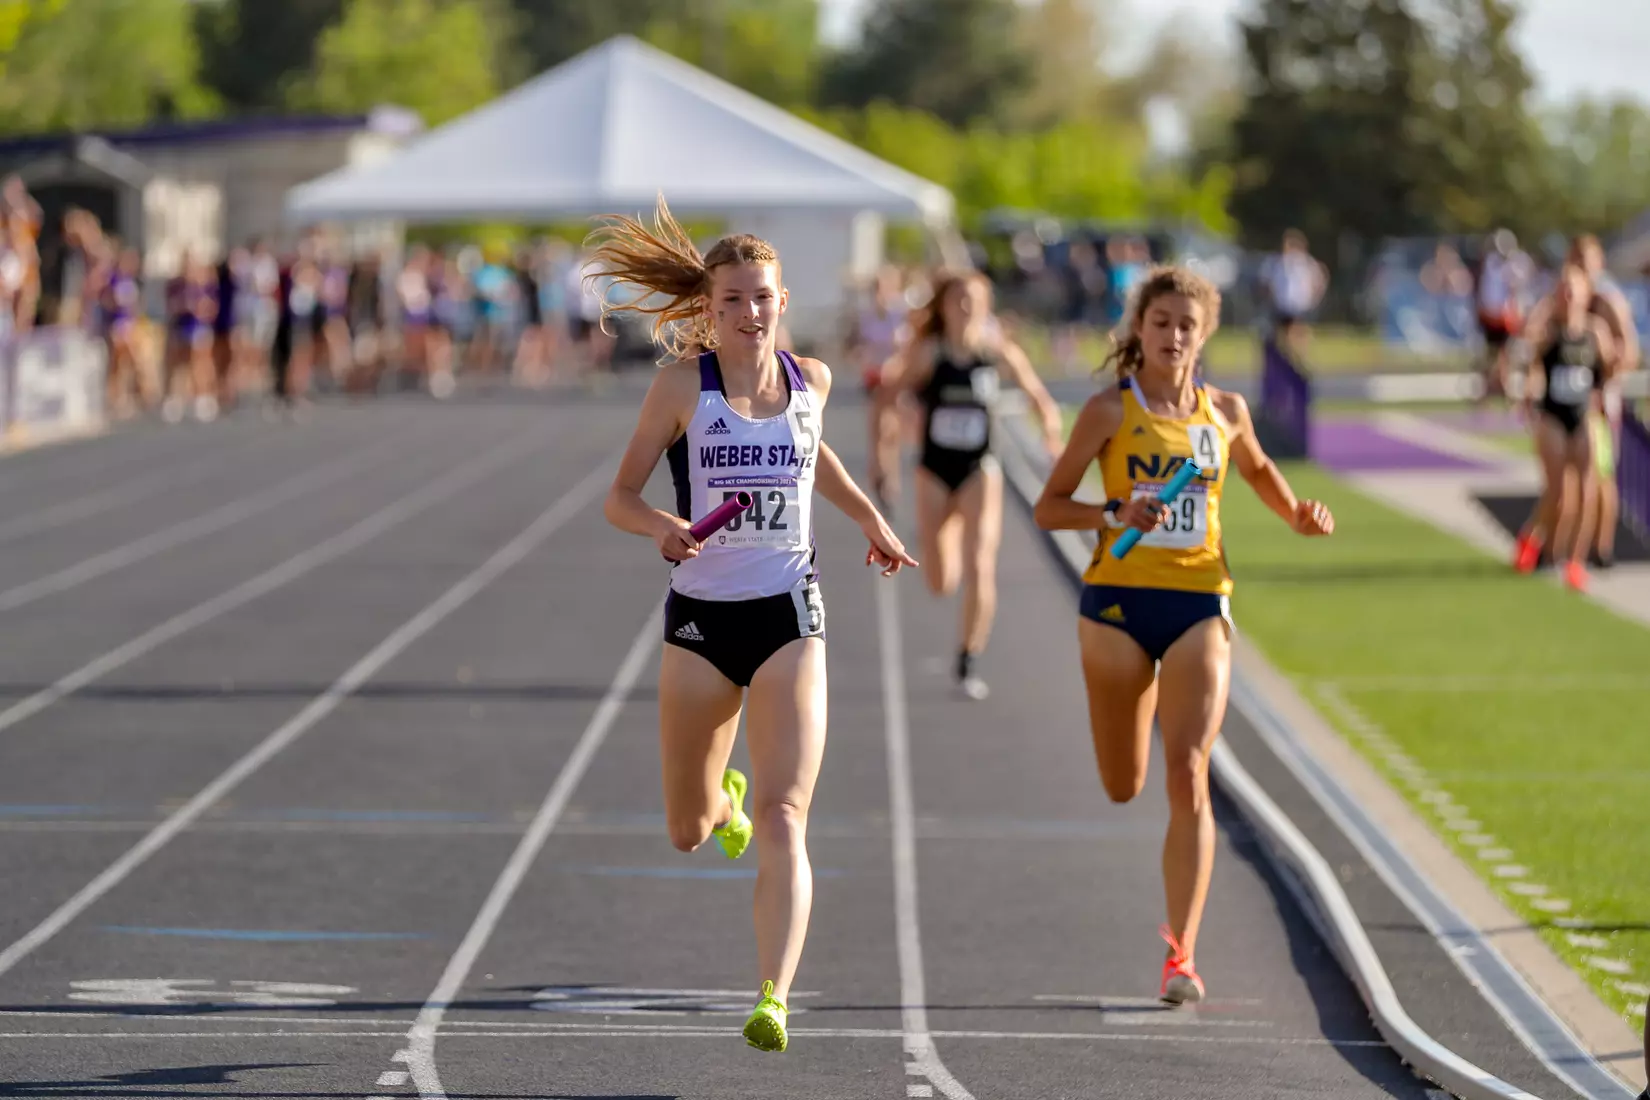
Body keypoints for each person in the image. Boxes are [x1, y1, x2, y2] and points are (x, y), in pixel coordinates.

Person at [595, 195, 916, 1053]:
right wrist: (661, 527)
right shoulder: (680, 390)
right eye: (733, 299)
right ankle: (722, 799)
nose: (751, 313)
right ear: (708, 307)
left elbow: (816, 458)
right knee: (690, 829)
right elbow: (618, 497)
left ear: (784, 300)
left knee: (786, 818)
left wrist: (870, 520)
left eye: (764, 297)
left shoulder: (811, 380)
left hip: (788, 614)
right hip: (701, 624)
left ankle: (773, 995)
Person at [1033, 266, 1334, 1004]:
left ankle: (1182, 953)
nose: (1172, 336)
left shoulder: (1225, 411)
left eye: (1186, 326)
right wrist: (1113, 513)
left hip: (1201, 598)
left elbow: (1260, 471)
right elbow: (1048, 507)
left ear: (1205, 336)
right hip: (1116, 606)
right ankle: (1124, 746)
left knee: (1190, 770)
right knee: (1123, 782)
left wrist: (1296, 513)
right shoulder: (1109, 411)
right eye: (1160, 321)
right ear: (1140, 328)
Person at [875, 268, 1064, 700]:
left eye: (974, 302)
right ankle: (947, 529)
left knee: (981, 564)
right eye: (958, 301)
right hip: (935, 470)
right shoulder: (929, 353)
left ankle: (968, 656)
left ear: (986, 307)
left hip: (980, 467)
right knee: (940, 581)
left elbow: (1039, 396)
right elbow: (888, 396)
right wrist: (893, 438)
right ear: (943, 306)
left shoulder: (997, 353)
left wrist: (1050, 433)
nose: (966, 309)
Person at [1511, 263, 1619, 591]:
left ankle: (1575, 561)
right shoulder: (1549, 331)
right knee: (1557, 491)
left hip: (1583, 414)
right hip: (1554, 415)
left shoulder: (1595, 331)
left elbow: (1611, 367)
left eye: (1575, 291)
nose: (1570, 297)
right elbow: (1530, 363)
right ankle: (1532, 539)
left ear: (1586, 294)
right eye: (1564, 291)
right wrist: (1530, 395)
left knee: (1587, 491)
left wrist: (1607, 385)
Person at [1473, 229, 1534, 404]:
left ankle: (1505, 388)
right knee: (1490, 356)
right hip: (1491, 316)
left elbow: (1518, 289)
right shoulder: (1491, 263)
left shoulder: (1516, 264)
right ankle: (1488, 389)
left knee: (1507, 356)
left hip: (1507, 318)